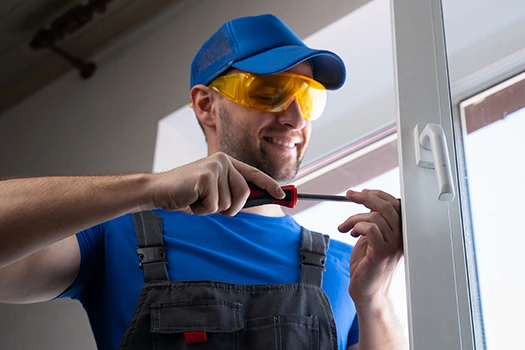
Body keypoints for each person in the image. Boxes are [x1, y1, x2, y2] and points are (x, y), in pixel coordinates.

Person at [0, 14, 406, 350]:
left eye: (309, 98)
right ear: (206, 105)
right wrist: (147, 188)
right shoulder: (114, 233)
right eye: (269, 92)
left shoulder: (349, 269)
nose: (295, 119)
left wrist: (374, 301)